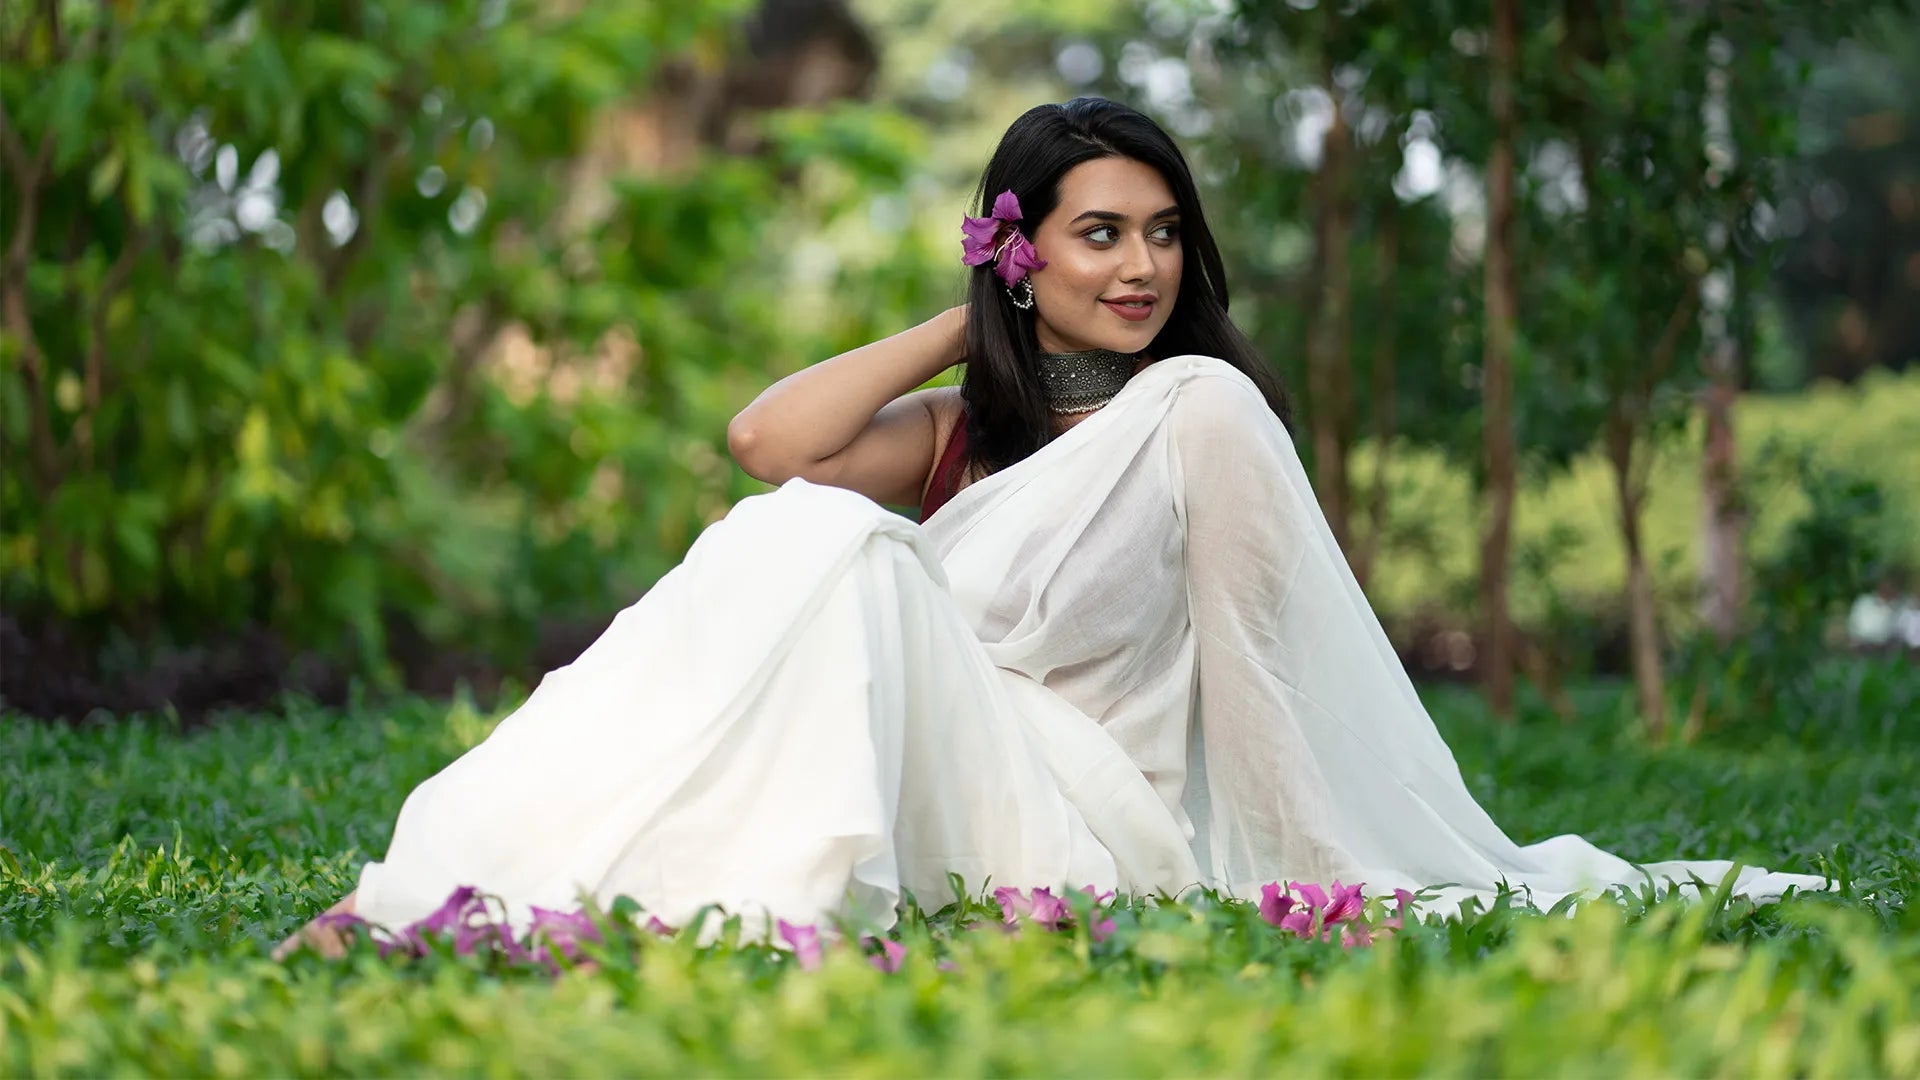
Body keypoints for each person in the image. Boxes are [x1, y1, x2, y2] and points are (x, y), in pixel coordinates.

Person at [277, 98, 1823, 959]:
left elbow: (1254, 667)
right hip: (941, 760)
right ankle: (452, 886)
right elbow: (765, 443)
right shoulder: (968, 436)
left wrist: (1305, 882)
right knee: (797, 531)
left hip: (1097, 818)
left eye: (1161, 232)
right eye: (1098, 233)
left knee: (818, 541)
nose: (1141, 265)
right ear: (1022, 256)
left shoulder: (1201, 414)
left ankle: (510, 904)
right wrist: (961, 330)